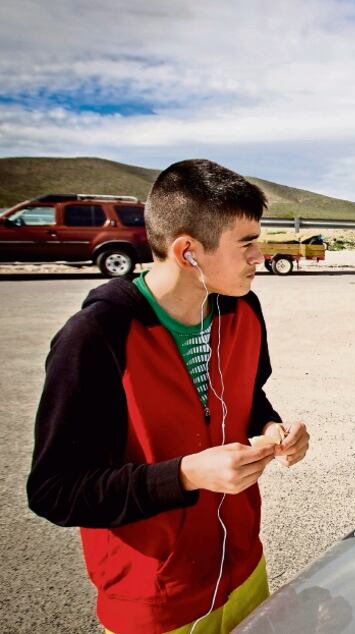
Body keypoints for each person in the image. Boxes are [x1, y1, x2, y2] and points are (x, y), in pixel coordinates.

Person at [26, 159, 310, 634]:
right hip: (156, 601)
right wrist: (185, 475)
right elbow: (55, 490)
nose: (259, 256)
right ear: (187, 252)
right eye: (246, 243)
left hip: (244, 569)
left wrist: (269, 427)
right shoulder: (96, 336)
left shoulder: (243, 310)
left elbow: (248, 396)